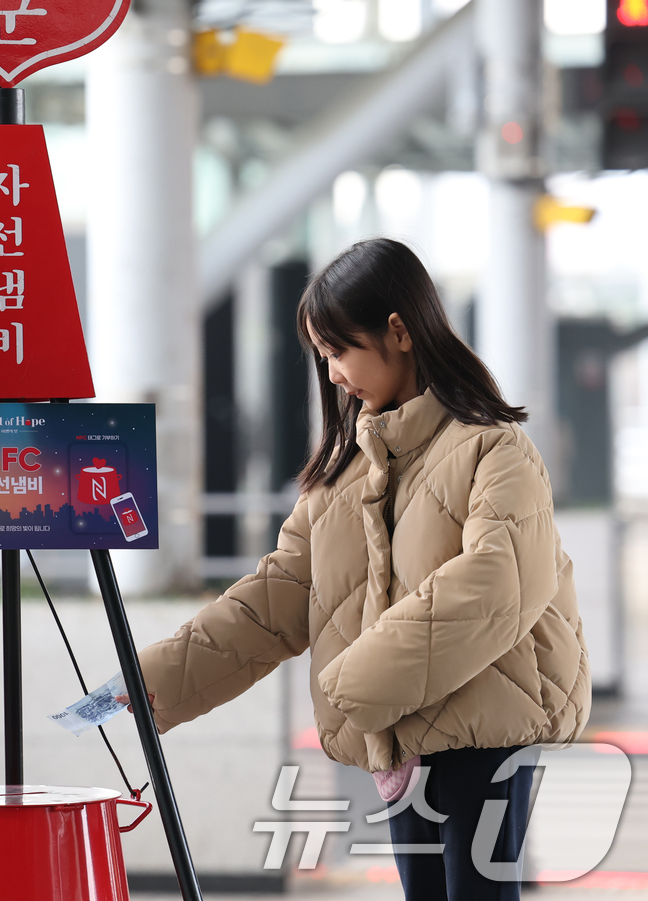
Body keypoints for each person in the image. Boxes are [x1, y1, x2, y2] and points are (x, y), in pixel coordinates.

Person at [133, 239, 589, 900]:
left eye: (339, 351)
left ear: (398, 331)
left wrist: (357, 680)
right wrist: (158, 679)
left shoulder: (495, 448)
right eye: (322, 357)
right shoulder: (342, 471)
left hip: (485, 728)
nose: (333, 372)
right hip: (398, 733)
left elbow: (497, 582)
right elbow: (276, 595)